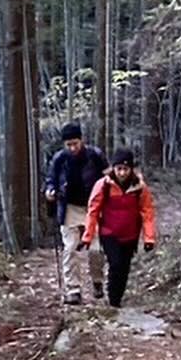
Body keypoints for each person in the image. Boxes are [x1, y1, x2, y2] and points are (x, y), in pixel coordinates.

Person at [82, 147, 157, 309]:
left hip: (130, 234)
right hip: (109, 233)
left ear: (131, 169)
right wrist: (88, 236)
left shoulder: (140, 188)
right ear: (113, 168)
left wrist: (149, 238)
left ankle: (117, 298)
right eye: (119, 169)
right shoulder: (103, 185)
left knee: (124, 267)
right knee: (115, 264)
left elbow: (147, 212)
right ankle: (113, 299)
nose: (122, 173)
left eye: (125, 169)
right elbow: (93, 210)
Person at [44, 122, 108, 305]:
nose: (72, 148)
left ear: (82, 140)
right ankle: (73, 289)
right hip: (69, 207)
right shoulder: (59, 159)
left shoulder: (95, 156)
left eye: (75, 143)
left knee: (95, 250)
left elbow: (108, 179)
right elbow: (50, 181)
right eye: (68, 144)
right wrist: (49, 192)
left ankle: (97, 281)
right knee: (70, 248)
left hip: (93, 208)